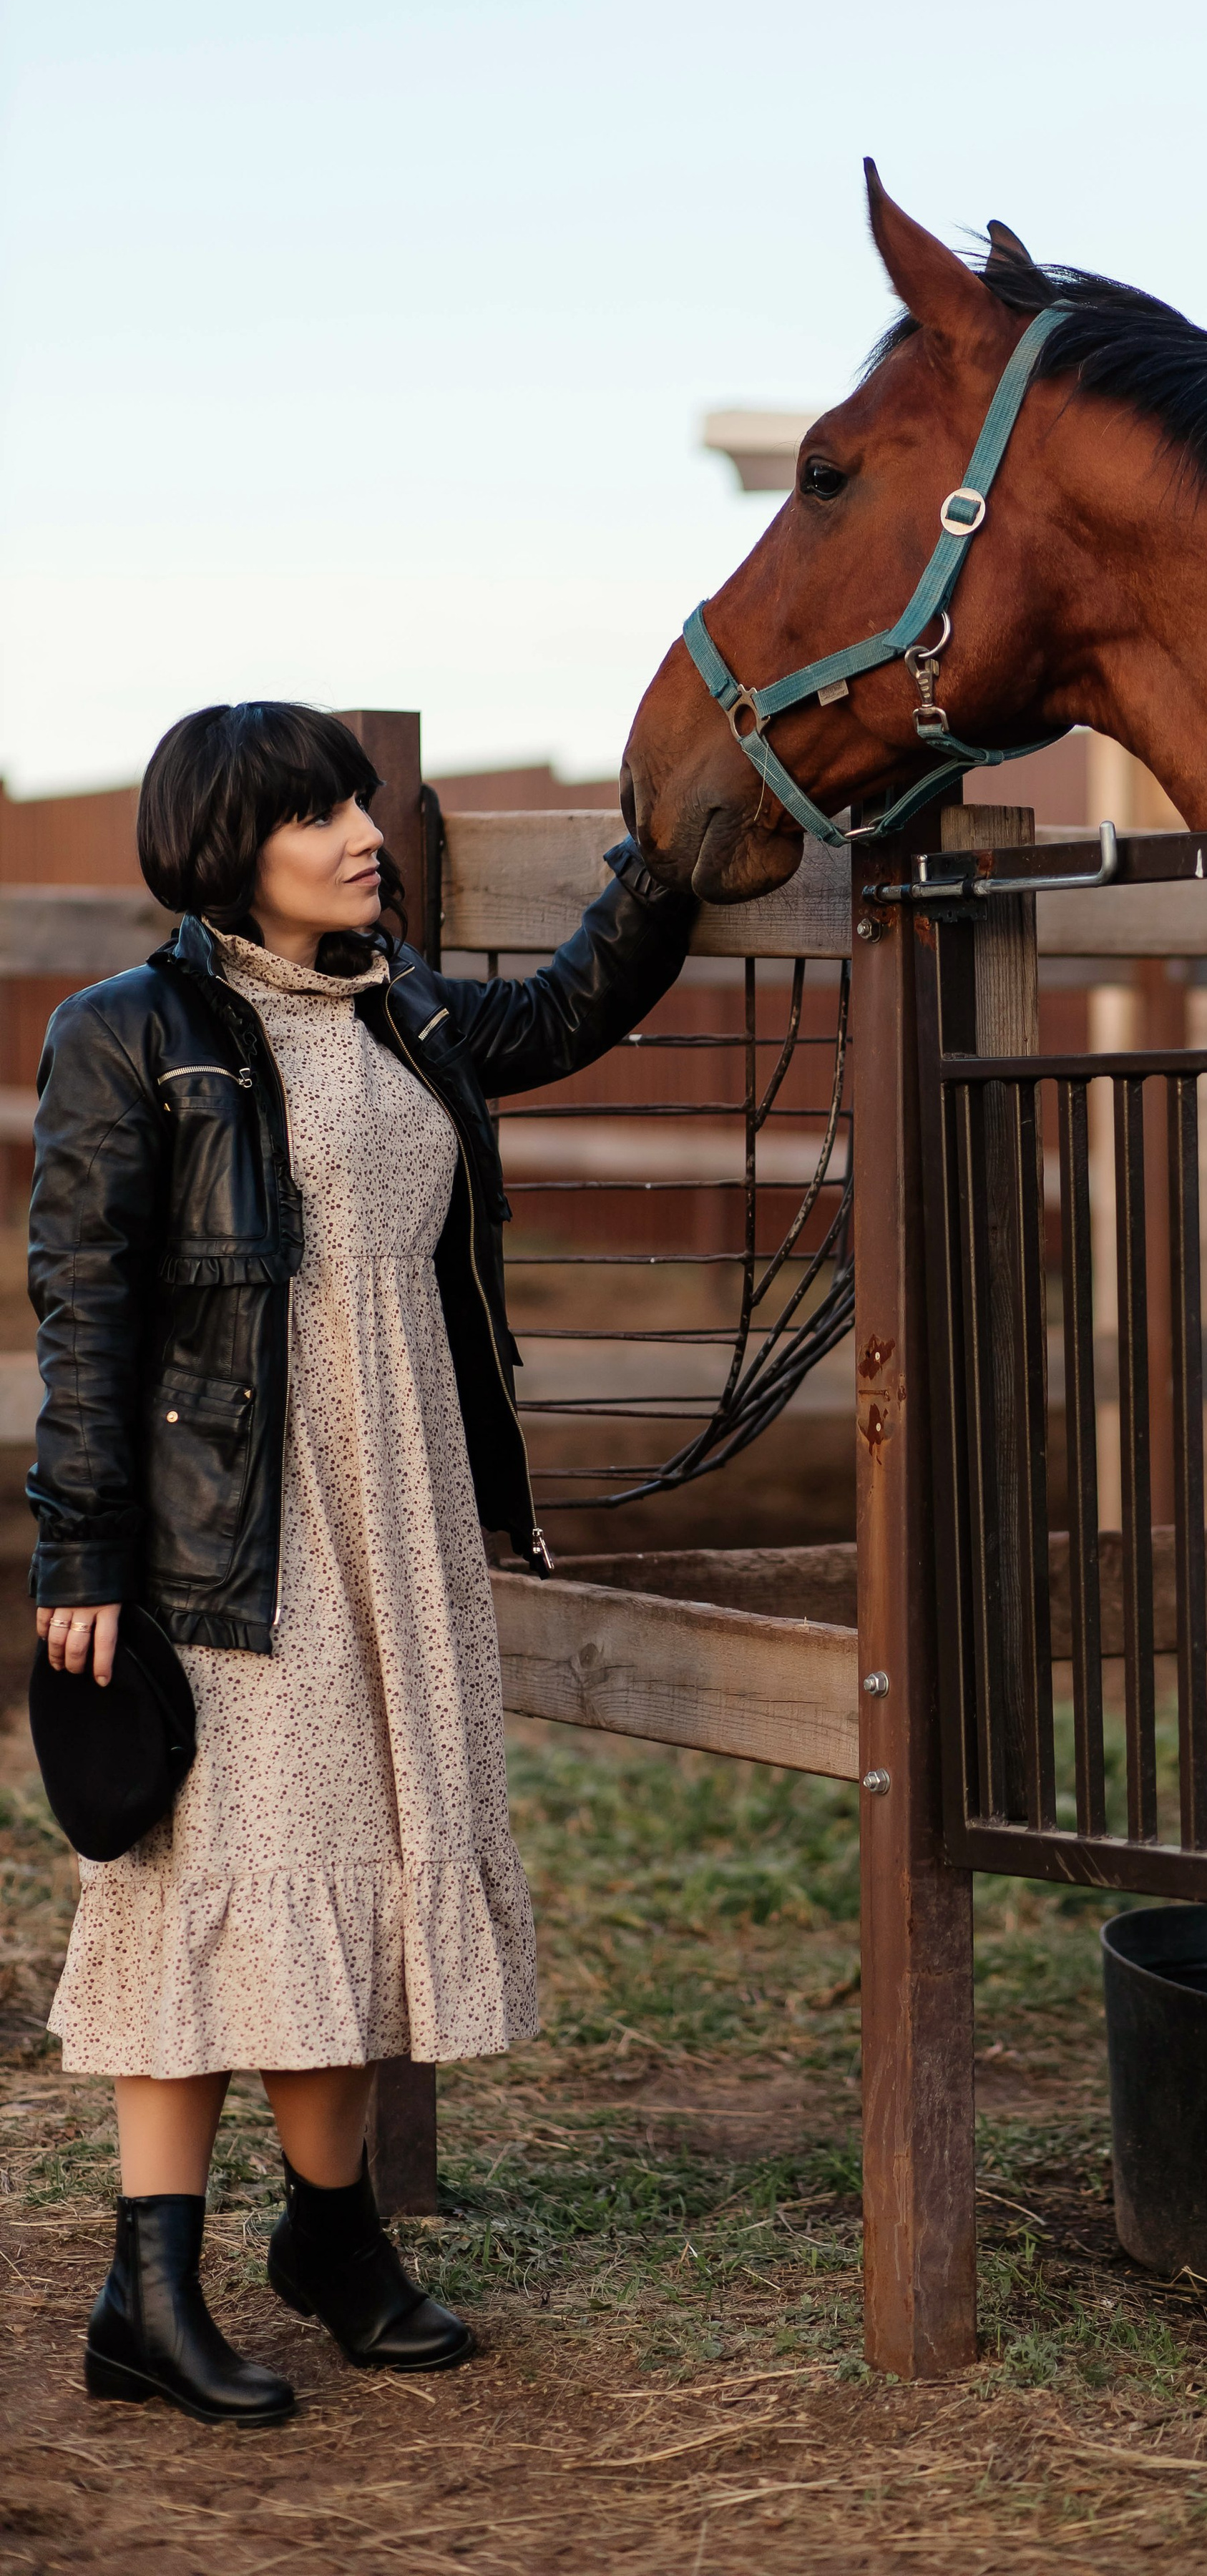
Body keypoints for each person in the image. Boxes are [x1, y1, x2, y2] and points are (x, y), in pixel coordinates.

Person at [29, 700, 695, 2424]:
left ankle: (329, 2239)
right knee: (206, 1884)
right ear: (220, 845)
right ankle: (144, 2288)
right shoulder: (130, 1030)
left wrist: (672, 855)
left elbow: (560, 1012)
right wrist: (82, 1553)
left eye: (357, 803)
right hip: (235, 1533)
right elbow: (88, 1308)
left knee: (349, 1872)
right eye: (316, 813)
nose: (361, 831)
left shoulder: (399, 1015)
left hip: (396, 1506)